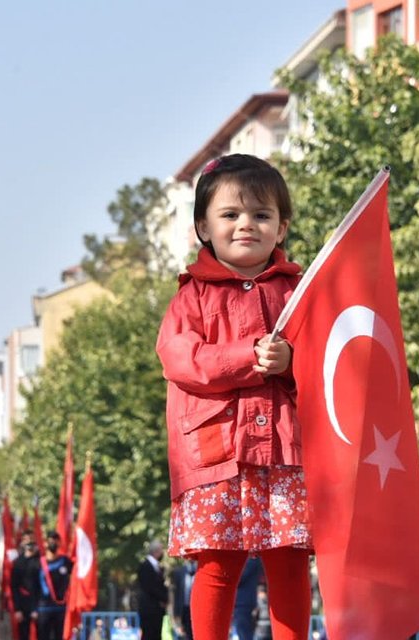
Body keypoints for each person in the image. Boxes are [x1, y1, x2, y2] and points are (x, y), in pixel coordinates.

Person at [157, 154, 312, 640]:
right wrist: (248, 356)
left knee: (288, 560)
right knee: (218, 563)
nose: (247, 225)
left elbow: (329, 362)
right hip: (214, 455)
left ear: (281, 226)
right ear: (204, 226)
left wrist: (292, 364)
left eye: (261, 215)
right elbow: (181, 360)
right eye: (230, 215)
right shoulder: (191, 296)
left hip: (286, 450)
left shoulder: (299, 291)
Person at [35, 531, 72, 640]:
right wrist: (33, 607)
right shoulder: (38, 563)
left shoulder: (65, 561)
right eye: (50, 540)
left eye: (56, 540)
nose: (53, 543)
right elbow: (33, 586)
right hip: (43, 607)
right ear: (45, 543)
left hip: (61, 607)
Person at [11, 530, 42, 640]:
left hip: (39, 602)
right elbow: (14, 586)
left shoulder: (41, 560)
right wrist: (17, 609)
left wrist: (37, 607)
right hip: (23, 602)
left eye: (31, 539)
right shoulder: (18, 563)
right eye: (26, 540)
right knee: (23, 634)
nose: (29, 542)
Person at [135, 541, 168, 640]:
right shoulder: (145, 566)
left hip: (156, 610)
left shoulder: (157, 567)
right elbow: (149, 587)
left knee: (156, 634)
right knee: (149, 635)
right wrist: (164, 598)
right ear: (157, 551)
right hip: (149, 609)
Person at [232, 557, 262, 640]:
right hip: (241, 602)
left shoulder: (252, 560)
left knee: (244, 632)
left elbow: (238, 577)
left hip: (244, 602)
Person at [170, 559, 196, 640]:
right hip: (185, 609)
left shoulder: (200, 571)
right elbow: (177, 594)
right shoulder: (179, 572)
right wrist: (175, 613)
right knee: (187, 634)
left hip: (197, 609)